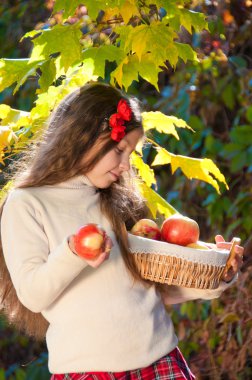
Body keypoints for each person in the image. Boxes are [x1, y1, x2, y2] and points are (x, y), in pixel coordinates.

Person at [0, 82, 243, 380]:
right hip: (87, 371)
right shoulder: (28, 203)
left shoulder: (119, 202)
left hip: (159, 361)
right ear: (83, 139)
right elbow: (34, 295)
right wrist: (74, 251)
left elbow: (154, 289)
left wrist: (217, 275)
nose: (126, 165)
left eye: (130, 152)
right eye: (119, 150)